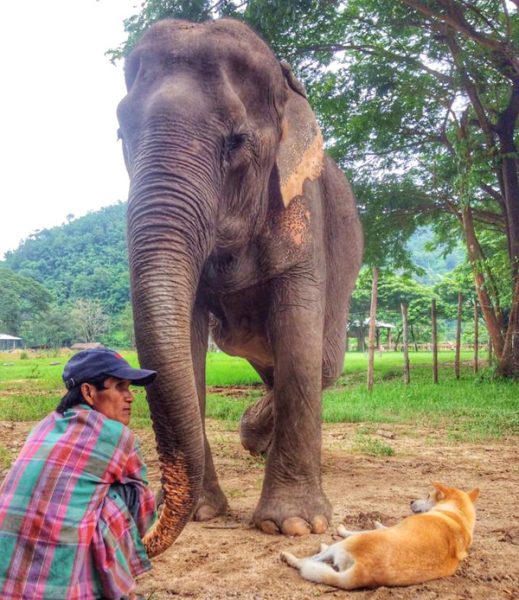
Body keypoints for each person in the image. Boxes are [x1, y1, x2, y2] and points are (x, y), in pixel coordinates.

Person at [0, 348, 158, 600]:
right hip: (58, 588)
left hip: (6, 579)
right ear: (88, 392)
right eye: (119, 387)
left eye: (130, 388)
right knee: (119, 499)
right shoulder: (117, 436)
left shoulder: (45, 424)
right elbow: (145, 515)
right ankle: (103, 588)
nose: (130, 397)